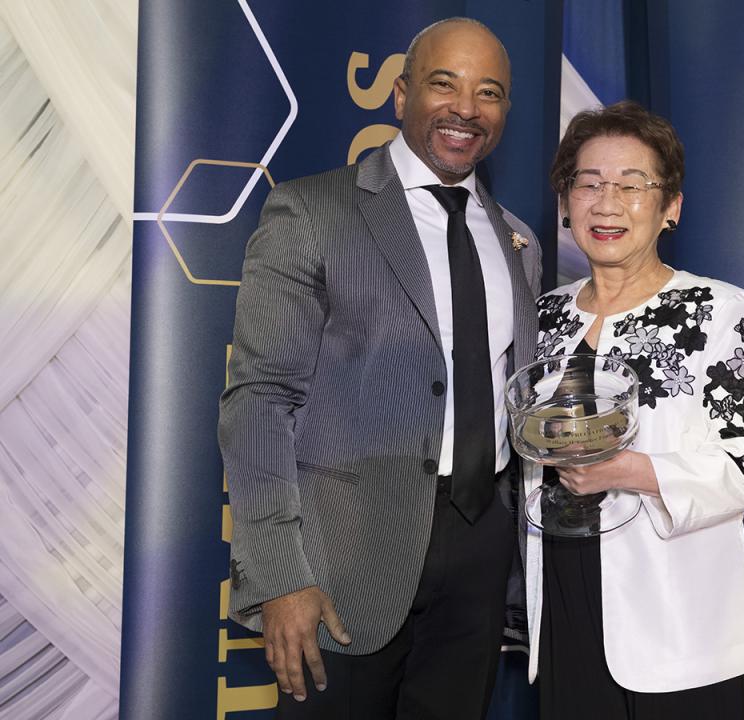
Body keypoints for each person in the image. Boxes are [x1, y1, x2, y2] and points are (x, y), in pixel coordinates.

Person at [218, 17, 540, 719]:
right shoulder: (311, 210)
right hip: (341, 565)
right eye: (443, 84)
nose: (466, 108)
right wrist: (278, 576)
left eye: (488, 92)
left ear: (505, 111)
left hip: (480, 555)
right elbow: (260, 402)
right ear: (400, 95)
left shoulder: (519, 240)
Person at [526, 100, 744, 719]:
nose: (606, 203)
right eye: (587, 183)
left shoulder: (720, 310)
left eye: (632, 185)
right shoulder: (541, 316)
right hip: (563, 600)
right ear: (564, 202)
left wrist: (625, 470)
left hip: (681, 619)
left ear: (671, 208)